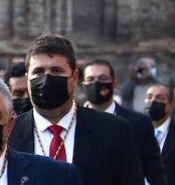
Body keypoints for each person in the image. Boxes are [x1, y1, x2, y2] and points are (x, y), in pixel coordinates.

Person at [7, 34, 142, 184]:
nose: (46, 78)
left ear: (75, 77)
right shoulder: (8, 134)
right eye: (38, 72)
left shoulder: (114, 131)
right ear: (27, 79)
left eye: (56, 71)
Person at [82, 59, 167, 185]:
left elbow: (155, 173)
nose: (96, 83)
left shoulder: (139, 124)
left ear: (114, 83)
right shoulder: (72, 121)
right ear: (83, 84)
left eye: (102, 78)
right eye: (90, 79)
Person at [145, 82, 175, 184]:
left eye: (159, 98)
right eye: (149, 97)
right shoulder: (133, 129)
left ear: (170, 105)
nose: (152, 101)